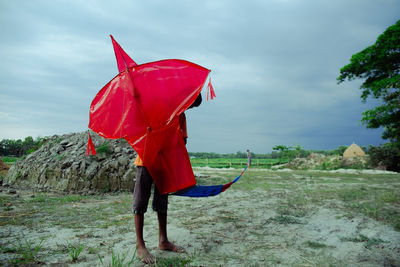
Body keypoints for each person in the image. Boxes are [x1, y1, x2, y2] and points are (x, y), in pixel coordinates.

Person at [133, 94, 202, 264]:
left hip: (165, 163)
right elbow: (143, 124)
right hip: (146, 160)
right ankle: (140, 244)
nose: (187, 108)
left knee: (162, 201)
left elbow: (182, 141)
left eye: (191, 107)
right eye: (189, 104)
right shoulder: (160, 107)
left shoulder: (181, 116)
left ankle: (163, 240)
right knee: (140, 201)